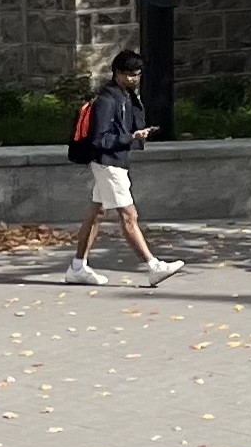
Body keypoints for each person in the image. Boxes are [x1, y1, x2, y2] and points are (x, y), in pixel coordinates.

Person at [64, 48, 184, 288]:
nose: (134, 79)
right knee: (129, 216)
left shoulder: (125, 96)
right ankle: (153, 266)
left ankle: (78, 267)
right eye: (130, 74)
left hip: (112, 162)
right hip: (108, 163)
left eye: (137, 74)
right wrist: (131, 137)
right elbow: (100, 139)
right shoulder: (108, 99)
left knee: (96, 214)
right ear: (117, 73)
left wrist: (136, 135)